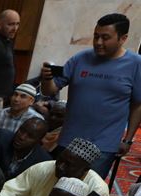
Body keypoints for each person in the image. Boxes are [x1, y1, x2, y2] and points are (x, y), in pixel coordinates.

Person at [40, 13, 141, 178]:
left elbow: (138, 104)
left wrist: (128, 139)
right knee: (56, 188)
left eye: (105, 38)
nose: (98, 42)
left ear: (123, 38)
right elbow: (49, 91)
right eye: (96, 36)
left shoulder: (136, 64)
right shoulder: (80, 58)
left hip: (103, 146)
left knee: (84, 194)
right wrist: (47, 78)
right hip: (69, 140)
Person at [0, 138, 110, 196]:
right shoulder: (45, 168)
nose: (60, 166)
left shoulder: (97, 189)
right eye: (60, 160)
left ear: (85, 169)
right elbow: (15, 187)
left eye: (68, 164)